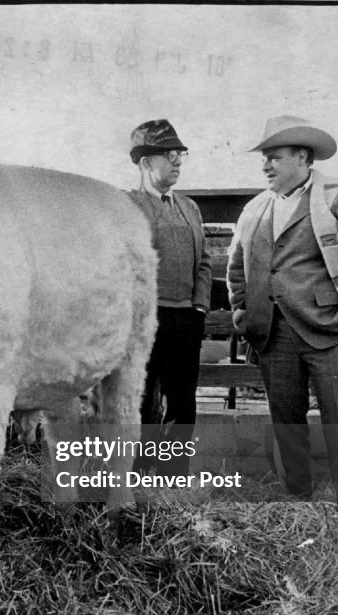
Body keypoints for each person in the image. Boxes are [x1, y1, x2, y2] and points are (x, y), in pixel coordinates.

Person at [227, 115, 338, 524]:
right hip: (273, 332)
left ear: (302, 157)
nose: (266, 166)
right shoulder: (256, 208)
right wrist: (242, 310)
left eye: (274, 158)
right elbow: (238, 268)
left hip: (334, 329)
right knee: (285, 418)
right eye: (264, 159)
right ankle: (295, 499)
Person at [128, 119, 212, 476]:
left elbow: (204, 261)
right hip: (146, 319)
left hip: (185, 318)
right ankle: (135, 475)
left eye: (180, 155)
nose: (177, 162)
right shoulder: (129, 206)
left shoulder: (189, 207)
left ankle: (172, 476)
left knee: (182, 399)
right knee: (141, 398)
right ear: (146, 162)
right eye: (168, 155)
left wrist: (199, 305)